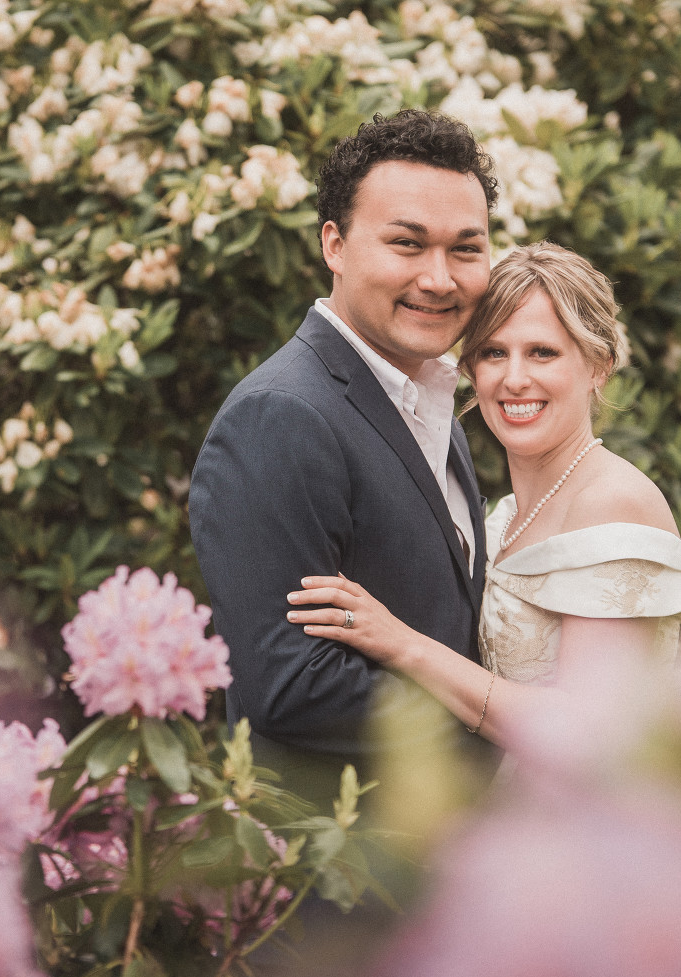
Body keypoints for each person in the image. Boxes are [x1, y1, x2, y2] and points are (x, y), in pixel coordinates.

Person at [189, 110, 500, 805]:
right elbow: (292, 685)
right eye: (407, 244)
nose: (439, 278)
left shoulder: (433, 401)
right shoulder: (281, 416)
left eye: (465, 249)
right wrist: (502, 719)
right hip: (342, 852)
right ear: (335, 244)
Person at [285, 243, 681, 746]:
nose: (515, 379)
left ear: (599, 367)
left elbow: (589, 735)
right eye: (494, 353)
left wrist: (401, 645)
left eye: (542, 352)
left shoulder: (613, 504)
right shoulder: (505, 517)